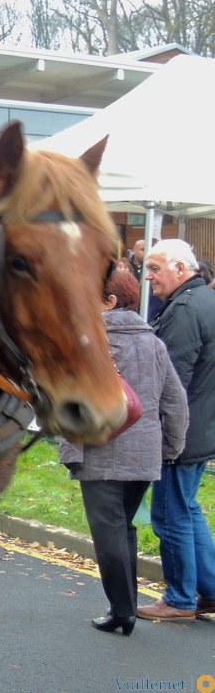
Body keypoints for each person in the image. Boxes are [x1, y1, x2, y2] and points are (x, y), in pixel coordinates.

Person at [59, 267, 187, 636]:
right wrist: (170, 448)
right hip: (145, 455)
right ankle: (125, 603)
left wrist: (70, 451)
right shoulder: (154, 343)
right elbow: (175, 403)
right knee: (123, 528)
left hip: (99, 452)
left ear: (111, 301)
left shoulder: (86, 340)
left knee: (109, 533)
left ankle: (122, 610)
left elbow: (69, 401)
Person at [137, 238, 215, 621]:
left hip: (180, 433)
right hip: (202, 425)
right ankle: (211, 591)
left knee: (169, 515)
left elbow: (172, 383)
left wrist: (160, 433)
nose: (147, 277)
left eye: (154, 269)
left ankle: (180, 598)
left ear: (181, 270)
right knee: (187, 508)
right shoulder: (207, 300)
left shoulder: (184, 308)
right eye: (146, 268)